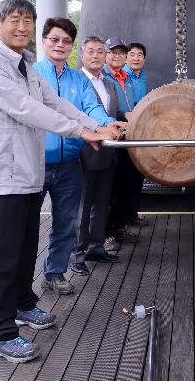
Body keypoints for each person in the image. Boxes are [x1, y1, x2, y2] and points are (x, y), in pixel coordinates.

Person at [0, 0, 120, 363]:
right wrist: (79, 132)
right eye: (14, 20)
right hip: (3, 175)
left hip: (27, 173)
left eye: (27, 21)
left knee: (23, 248)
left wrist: (94, 125)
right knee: (1, 255)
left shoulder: (24, 66)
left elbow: (53, 101)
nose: (21, 27)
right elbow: (26, 109)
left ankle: (23, 303)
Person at [33, 17, 122, 295]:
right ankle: (21, 287)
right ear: (44, 41)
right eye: (54, 39)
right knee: (25, 227)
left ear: (72, 47)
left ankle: (55, 273)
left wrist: (106, 125)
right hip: (34, 163)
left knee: (66, 223)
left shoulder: (76, 79)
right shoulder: (32, 74)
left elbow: (91, 108)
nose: (60, 45)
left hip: (70, 162)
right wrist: (91, 128)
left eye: (66, 41)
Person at [73, 36, 124, 275]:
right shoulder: (76, 81)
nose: (95, 55)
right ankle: (77, 254)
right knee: (83, 205)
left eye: (100, 52)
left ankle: (96, 246)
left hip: (108, 151)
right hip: (84, 150)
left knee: (102, 202)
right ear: (82, 55)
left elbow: (114, 112)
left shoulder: (109, 83)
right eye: (91, 51)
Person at [102, 38, 142, 243]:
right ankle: (107, 231)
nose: (117, 56)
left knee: (125, 184)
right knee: (111, 187)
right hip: (111, 137)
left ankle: (119, 226)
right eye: (112, 52)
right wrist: (123, 118)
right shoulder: (102, 77)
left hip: (127, 138)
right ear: (105, 54)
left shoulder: (127, 78)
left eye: (121, 52)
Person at [122, 42, 148, 225]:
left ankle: (132, 215)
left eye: (140, 55)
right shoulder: (121, 76)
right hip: (123, 131)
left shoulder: (142, 77)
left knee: (136, 175)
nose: (136, 58)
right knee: (122, 179)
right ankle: (119, 221)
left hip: (139, 132)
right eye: (132, 54)